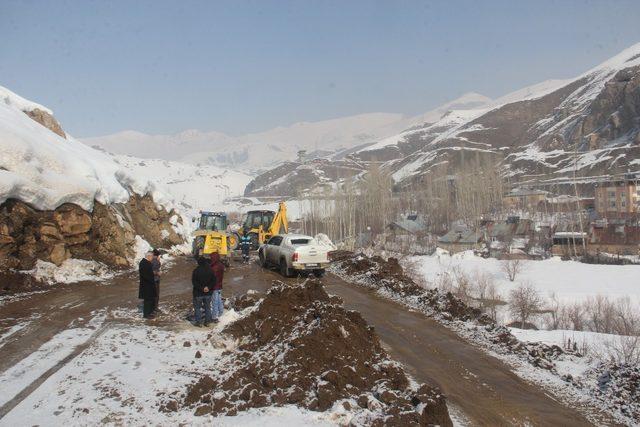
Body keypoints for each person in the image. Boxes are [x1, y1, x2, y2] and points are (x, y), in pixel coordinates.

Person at [192, 256, 215, 327]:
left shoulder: (196, 271)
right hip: (208, 293)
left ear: (198, 263)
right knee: (207, 307)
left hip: (198, 293)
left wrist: (202, 288)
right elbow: (214, 280)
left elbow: (194, 282)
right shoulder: (211, 270)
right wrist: (208, 287)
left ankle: (199, 323)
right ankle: (207, 322)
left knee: (197, 308)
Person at [138, 251, 157, 319]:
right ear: (149, 256)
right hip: (147, 285)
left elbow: (147, 272)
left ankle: (149, 312)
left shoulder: (145, 262)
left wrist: (152, 273)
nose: (152, 258)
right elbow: (145, 274)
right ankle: (146, 315)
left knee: (150, 299)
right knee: (147, 300)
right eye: (152, 256)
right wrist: (153, 274)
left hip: (147, 284)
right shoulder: (145, 263)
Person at [210, 252, 225, 322]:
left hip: (215, 287)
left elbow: (213, 278)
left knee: (214, 302)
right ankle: (221, 312)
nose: (210, 259)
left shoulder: (214, 267)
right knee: (219, 300)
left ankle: (214, 317)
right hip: (219, 286)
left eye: (211, 258)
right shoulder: (221, 265)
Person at [151, 248, 162, 313]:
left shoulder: (150, 260)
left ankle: (153, 308)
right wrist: (157, 273)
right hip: (155, 280)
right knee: (156, 295)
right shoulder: (155, 261)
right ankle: (155, 308)